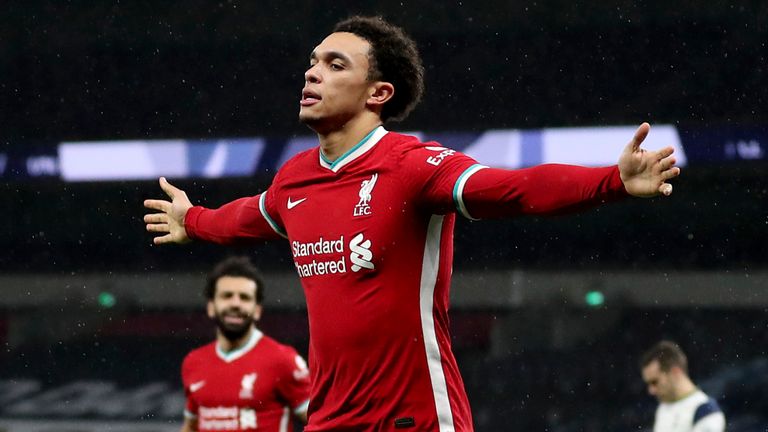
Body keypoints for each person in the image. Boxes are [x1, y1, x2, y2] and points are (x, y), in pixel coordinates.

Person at [145, 15, 681, 431]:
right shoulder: (295, 180)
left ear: (378, 94)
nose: (312, 72)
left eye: (336, 65)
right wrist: (192, 219)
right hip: (330, 417)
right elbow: (245, 217)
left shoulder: (412, 166)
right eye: (313, 62)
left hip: (414, 416)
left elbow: (513, 189)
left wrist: (611, 180)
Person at [180, 256, 310, 432]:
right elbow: (191, 427)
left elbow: (320, 420)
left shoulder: (283, 360)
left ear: (257, 310)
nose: (235, 303)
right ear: (211, 306)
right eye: (227, 296)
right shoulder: (193, 363)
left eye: (244, 298)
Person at [640, 340, 726, 432]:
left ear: (675, 372)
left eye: (655, 382)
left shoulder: (706, 413)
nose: (651, 390)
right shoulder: (663, 408)